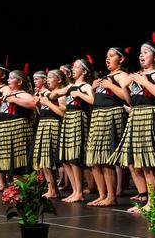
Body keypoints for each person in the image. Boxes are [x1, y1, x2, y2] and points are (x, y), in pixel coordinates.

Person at [109, 38, 155, 212]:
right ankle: (146, 200)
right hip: (136, 116)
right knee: (135, 162)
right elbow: (131, 101)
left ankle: (153, 202)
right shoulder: (137, 75)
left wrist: (144, 82)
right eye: (140, 52)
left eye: (145, 52)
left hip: (150, 116)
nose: (141, 55)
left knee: (148, 162)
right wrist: (125, 87)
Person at [86, 47, 130, 207]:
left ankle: (111, 196)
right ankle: (102, 194)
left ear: (121, 59)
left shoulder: (122, 75)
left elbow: (127, 97)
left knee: (106, 159)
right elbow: (96, 100)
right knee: (94, 159)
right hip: (98, 116)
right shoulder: (104, 77)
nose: (107, 58)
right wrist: (92, 89)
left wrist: (110, 86)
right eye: (106, 56)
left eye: (111, 56)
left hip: (111, 115)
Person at [51, 59, 94, 202]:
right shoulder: (71, 86)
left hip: (78, 117)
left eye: (77, 67)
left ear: (85, 71)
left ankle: (79, 192)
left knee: (74, 158)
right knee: (65, 158)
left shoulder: (85, 85)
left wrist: (80, 94)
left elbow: (93, 101)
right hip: (68, 118)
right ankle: (75, 190)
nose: (73, 69)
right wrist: (60, 91)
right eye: (73, 67)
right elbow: (52, 95)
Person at [0, 69, 36, 176]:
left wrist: (14, 100)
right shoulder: (10, 94)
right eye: (8, 77)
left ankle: (23, 186)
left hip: (18, 131)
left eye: (11, 78)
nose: (8, 80)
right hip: (7, 130)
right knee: (12, 161)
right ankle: (15, 185)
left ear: (20, 82)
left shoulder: (22, 94)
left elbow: (33, 104)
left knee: (20, 161)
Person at [32, 70, 66, 198]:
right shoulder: (48, 95)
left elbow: (63, 113)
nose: (47, 80)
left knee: (49, 160)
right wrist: (38, 106)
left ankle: (54, 189)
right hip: (43, 126)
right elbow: (43, 113)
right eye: (47, 77)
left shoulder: (59, 95)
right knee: (43, 161)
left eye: (50, 77)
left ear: (59, 80)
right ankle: (51, 189)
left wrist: (47, 103)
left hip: (53, 126)